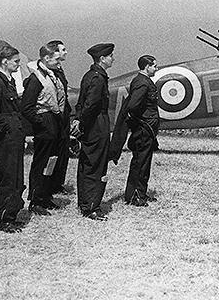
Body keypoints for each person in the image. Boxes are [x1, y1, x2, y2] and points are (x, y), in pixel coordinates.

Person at [0, 45, 25, 233]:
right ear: (4, 62)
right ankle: (3, 219)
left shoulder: (9, 82)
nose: (18, 64)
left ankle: (10, 214)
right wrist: (7, 129)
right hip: (6, 139)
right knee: (9, 178)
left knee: (16, 177)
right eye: (16, 61)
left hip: (14, 137)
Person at [21, 44, 65, 215]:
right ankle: (35, 200)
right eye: (56, 58)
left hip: (54, 121)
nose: (59, 60)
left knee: (51, 162)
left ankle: (46, 196)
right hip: (45, 122)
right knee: (41, 162)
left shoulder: (53, 75)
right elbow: (26, 107)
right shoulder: (36, 79)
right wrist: (41, 122)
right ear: (46, 59)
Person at [72, 43, 114, 220]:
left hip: (90, 125)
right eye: (111, 56)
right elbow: (92, 105)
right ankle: (91, 206)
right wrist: (83, 121)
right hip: (98, 124)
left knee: (87, 163)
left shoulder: (89, 75)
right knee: (96, 165)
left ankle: (85, 202)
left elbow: (82, 103)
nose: (113, 58)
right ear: (102, 59)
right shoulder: (98, 78)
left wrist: (79, 121)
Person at [123, 55, 160, 207]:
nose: (156, 69)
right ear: (147, 67)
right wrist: (142, 122)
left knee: (143, 161)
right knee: (141, 162)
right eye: (154, 66)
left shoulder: (143, 81)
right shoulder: (142, 83)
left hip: (146, 129)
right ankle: (135, 196)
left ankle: (140, 193)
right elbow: (132, 106)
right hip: (144, 129)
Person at [46, 40, 72, 195]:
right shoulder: (49, 72)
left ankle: (57, 183)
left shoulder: (59, 69)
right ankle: (48, 185)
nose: (65, 52)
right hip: (55, 116)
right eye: (62, 50)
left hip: (63, 115)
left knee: (63, 151)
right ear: (53, 53)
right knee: (53, 153)